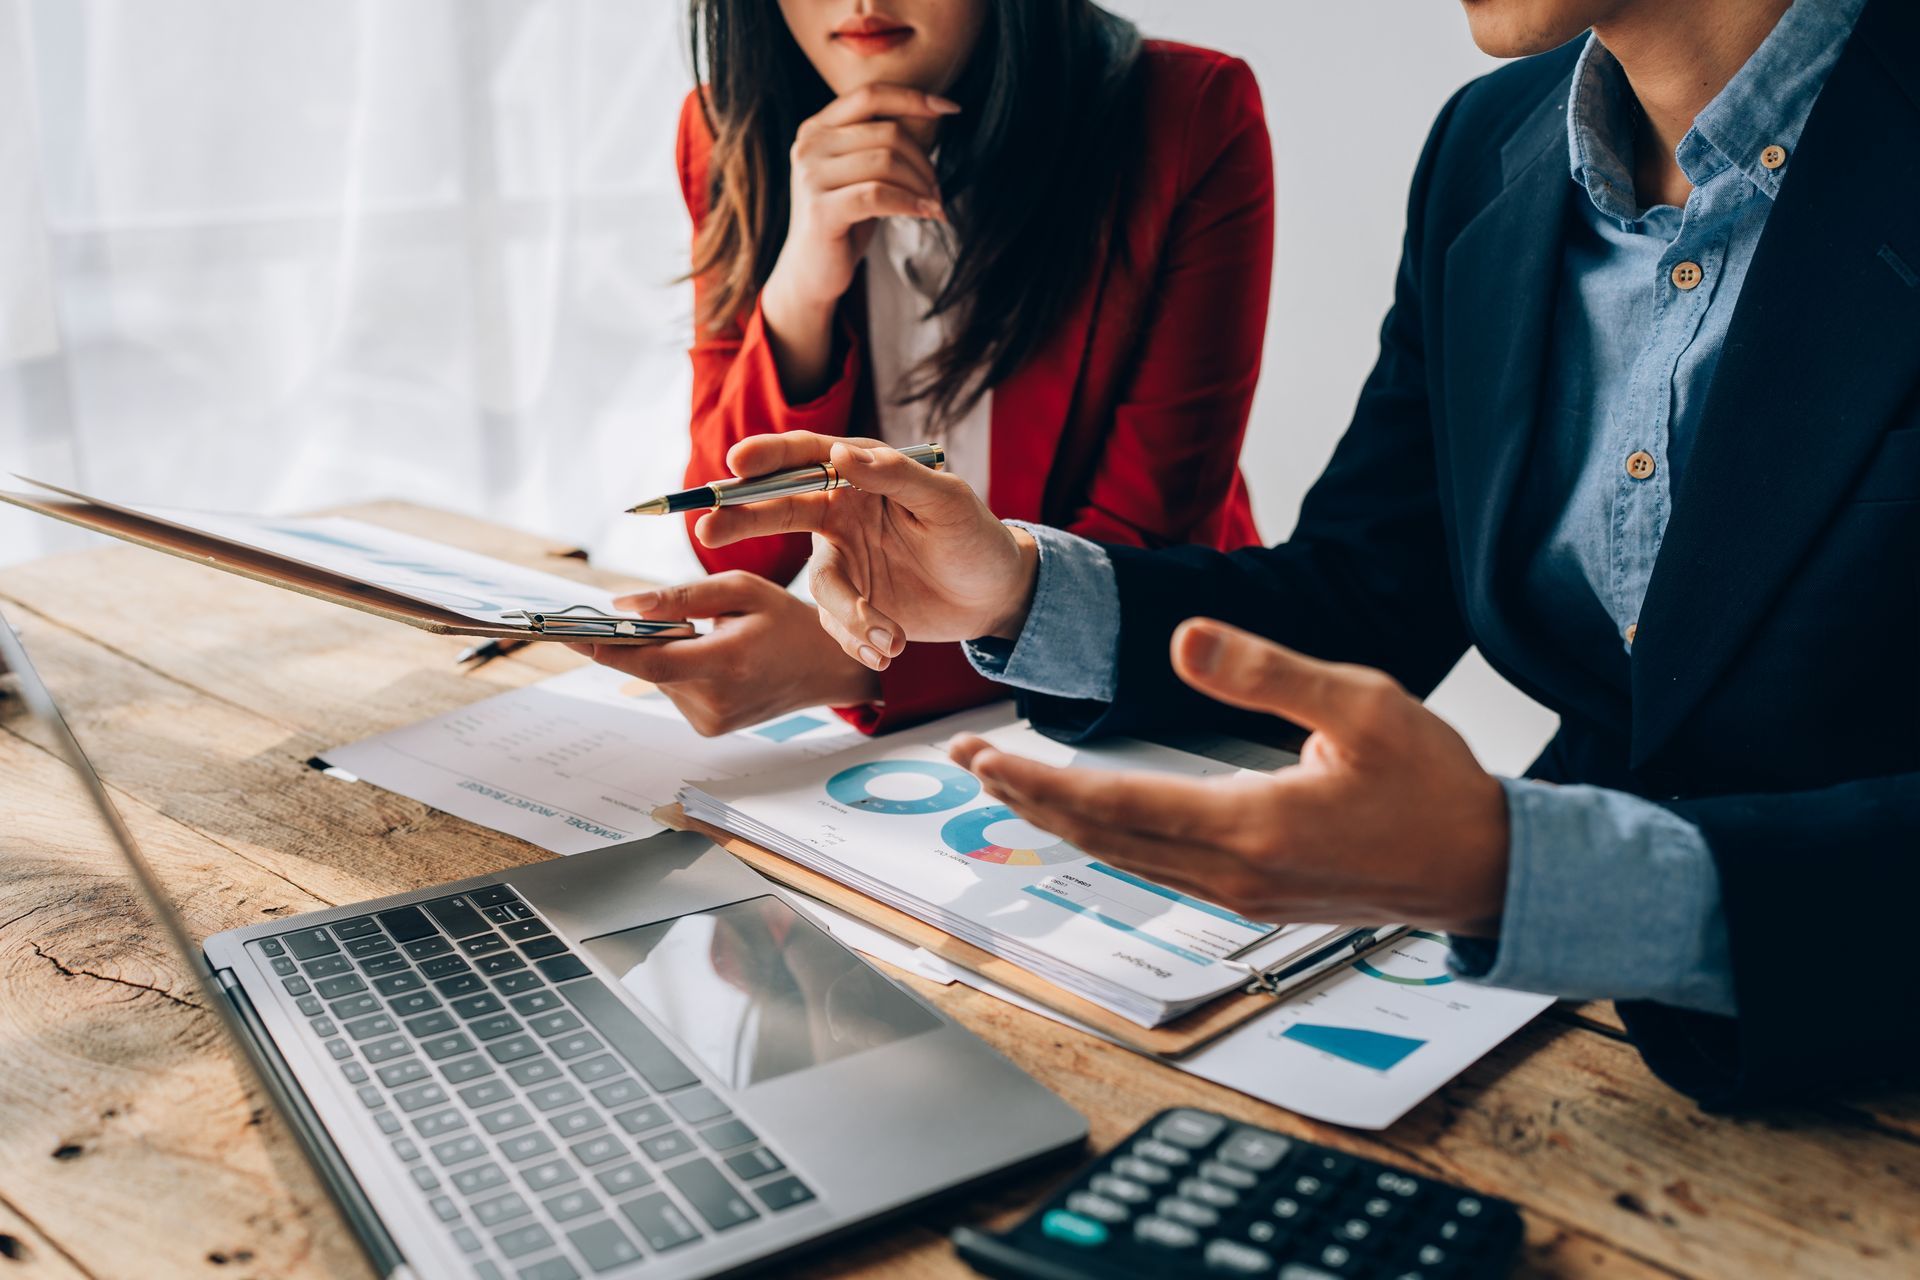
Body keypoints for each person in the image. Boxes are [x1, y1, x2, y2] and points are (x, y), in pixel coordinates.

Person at [691, 0, 1920, 1107]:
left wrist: (1521, 867)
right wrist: (1015, 583)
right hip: (1560, 1030)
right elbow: (1371, 588)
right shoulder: (1494, 142)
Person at [576, 0, 1272, 734]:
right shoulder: (730, 125)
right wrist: (800, 288)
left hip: (1146, 702)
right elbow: (737, 541)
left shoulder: (1186, 116)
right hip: (886, 751)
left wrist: (857, 661)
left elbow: (1140, 547)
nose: (862, 3)